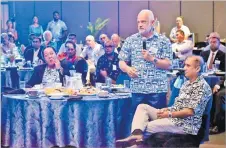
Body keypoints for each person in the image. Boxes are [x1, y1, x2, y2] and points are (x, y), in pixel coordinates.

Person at [116, 55, 212, 147]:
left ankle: (135, 145)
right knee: (142, 107)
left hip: (186, 124)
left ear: (197, 69)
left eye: (188, 65)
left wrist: (169, 114)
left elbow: (189, 112)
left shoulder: (201, 86)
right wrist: (166, 109)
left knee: (147, 126)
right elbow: (178, 106)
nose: (184, 68)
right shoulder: (187, 83)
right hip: (176, 118)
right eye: (184, 65)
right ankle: (136, 135)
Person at [118, 9, 172, 113]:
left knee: (156, 125)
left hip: (157, 91)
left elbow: (169, 65)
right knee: (137, 125)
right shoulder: (131, 40)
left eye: (143, 22)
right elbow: (121, 61)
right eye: (138, 22)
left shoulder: (163, 41)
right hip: (137, 90)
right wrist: (127, 69)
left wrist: (152, 59)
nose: (140, 25)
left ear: (152, 22)